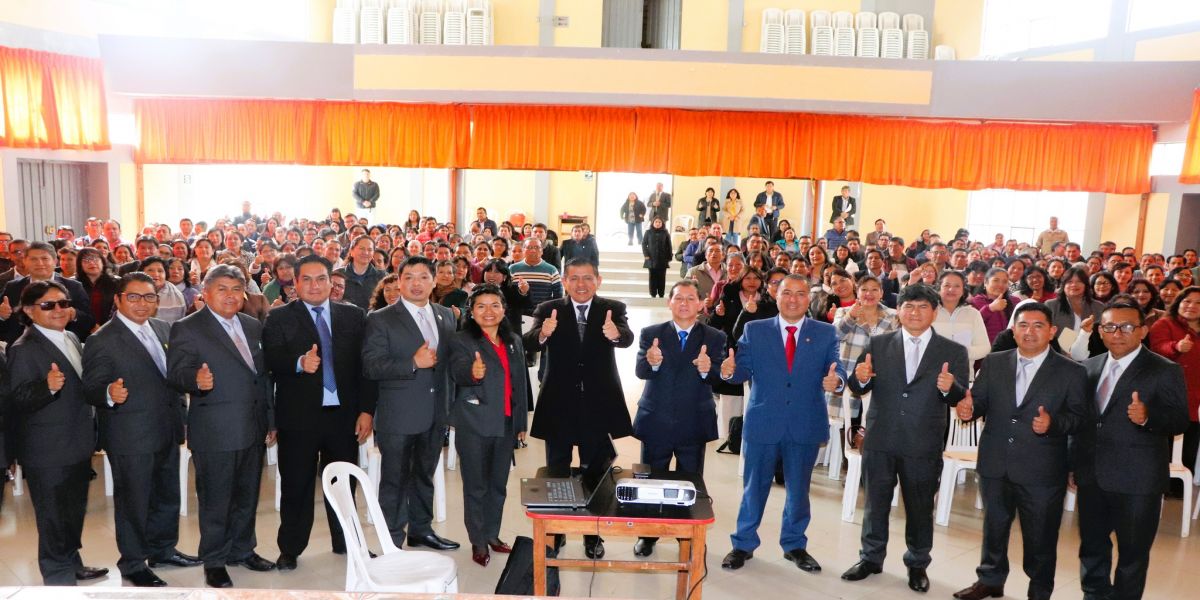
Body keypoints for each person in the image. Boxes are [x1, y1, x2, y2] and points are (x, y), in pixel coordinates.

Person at [951, 302, 1089, 600]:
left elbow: (1080, 418)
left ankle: (1039, 590)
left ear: (1052, 331)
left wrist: (1053, 423)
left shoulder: (1072, 371)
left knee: (1040, 536)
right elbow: (980, 401)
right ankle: (990, 579)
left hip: (1042, 468)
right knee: (994, 527)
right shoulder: (995, 362)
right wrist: (969, 409)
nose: (1029, 332)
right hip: (995, 461)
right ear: (1013, 330)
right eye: (1023, 325)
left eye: (1038, 326)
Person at [841, 284, 969, 593]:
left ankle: (917, 563)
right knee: (875, 504)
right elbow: (857, 384)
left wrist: (949, 388)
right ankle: (870, 558)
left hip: (923, 442)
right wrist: (860, 379)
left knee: (920, 507)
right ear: (899, 311)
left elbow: (960, 398)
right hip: (881, 438)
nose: (915, 313)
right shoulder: (878, 343)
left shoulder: (953, 351)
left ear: (934, 313)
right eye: (909, 306)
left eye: (923, 307)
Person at [719, 275, 844, 572]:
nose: (793, 299)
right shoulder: (755, 329)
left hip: (804, 421)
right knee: (754, 488)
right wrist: (729, 371)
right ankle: (743, 544)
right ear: (776, 295)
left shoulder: (825, 332)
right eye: (787, 293)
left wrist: (837, 381)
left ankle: (794, 544)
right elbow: (742, 370)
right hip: (764, 420)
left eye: (800, 294)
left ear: (808, 298)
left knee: (798, 490)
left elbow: (836, 368)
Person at [82, 273, 198, 587]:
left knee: (167, 495)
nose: (142, 304)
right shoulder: (102, 339)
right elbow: (90, 387)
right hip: (130, 434)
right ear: (118, 300)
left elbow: (171, 378)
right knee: (134, 502)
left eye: (149, 297)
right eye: (133, 297)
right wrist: (108, 393)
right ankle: (133, 563)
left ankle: (163, 550)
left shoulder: (162, 328)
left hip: (167, 427)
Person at [166, 264, 276, 588]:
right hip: (215, 429)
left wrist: (270, 420)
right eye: (222, 289)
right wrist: (195, 380)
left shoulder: (251, 325)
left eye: (236, 290)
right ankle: (214, 560)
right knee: (216, 499)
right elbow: (176, 374)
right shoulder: (188, 327)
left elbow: (262, 377)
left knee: (247, 495)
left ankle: (242, 550)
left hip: (253, 425)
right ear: (206, 292)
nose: (230, 296)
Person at [263, 255, 375, 571]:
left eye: (321, 278)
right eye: (307, 279)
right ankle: (290, 548)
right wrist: (298, 363)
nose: (315, 285)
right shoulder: (279, 317)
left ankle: (347, 542)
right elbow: (270, 360)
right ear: (296, 283)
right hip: (298, 418)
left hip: (344, 417)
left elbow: (365, 368)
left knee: (344, 484)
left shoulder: (353, 316)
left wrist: (366, 410)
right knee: (296, 484)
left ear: (331, 282)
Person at [1073, 298, 1189, 600]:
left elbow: (1180, 419)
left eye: (1126, 327)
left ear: (1143, 330)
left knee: (1132, 554)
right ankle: (1094, 595)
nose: (1117, 333)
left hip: (1138, 479)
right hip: (1092, 474)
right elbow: (1081, 421)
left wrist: (1148, 417)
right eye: (1110, 327)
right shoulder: (1088, 367)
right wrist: (1073, 465)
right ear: (1100, 331)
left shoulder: (1164, 369)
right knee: (1092, 547)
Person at [524, 258, 634, 559]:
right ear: (565, 281)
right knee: (556, 469)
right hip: (559, 401)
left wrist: (616, 334)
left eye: (587, 278)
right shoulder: (548, 309)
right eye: (574, 278)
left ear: (598, 280)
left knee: (594, 471)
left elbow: (626, 337)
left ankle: (592, 533)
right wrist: (543, 333)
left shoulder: (612, 308)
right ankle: (556, 531)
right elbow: (530, 342)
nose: (581, 284)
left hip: (598, 403)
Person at [5, 281, 107, 585]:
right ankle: (58, 579)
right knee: (52, 517)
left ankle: (72, 564)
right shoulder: (23, 348)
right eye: (48, 305)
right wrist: (46, 388)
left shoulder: (71, 337)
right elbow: (18, 399)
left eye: (64, 303)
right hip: (47, 449)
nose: (58, 310)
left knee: (73, 511)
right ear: (29, 311)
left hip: (77, 441)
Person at [362, 256, 460, 552]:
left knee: (425, 475)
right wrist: (412, 363)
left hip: (435, 412)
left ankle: (421, 530)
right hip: (399, 415)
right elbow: (371, 366)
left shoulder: (446, 315)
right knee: (394, 480)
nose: (416, 283)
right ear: (399, 281)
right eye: (409, 277)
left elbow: (450, 363)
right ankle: (390, 541)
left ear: (434, 281)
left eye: (423, 277)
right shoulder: (380, 318)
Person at [632, 280, 725, 557]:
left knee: (690, 484)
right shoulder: (652, 333)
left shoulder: (714, 336)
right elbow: (640, 370)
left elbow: (721, 376)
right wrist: (652, 362)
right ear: (669, 302)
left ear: (701, 304)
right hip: (656, 420)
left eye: (690, 298)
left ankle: (688, 536)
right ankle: (648, 535)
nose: (684, 303)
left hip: (693, 421)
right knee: (651, 481)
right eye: (678, 298)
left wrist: (708, 370)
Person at [447, 284, 528, 567]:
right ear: (471, 311)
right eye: (481, 306)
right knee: (476, 486)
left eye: (495, 305)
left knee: (498, 485)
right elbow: (456, 370)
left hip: (505, 423)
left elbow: (520, 383)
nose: (489, 311)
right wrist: (472, 372)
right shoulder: (461, 339)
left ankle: (493, 534)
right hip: (474, 422)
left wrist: (520, 422)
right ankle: (478, 541)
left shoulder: (513, 340)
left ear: (504, 309)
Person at [1148, 285, 1200, 480]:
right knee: (1169, 446)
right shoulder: (1164, 324)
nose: (1192, 306)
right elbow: (1158, 348)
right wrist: (1176, 346)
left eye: (1198, 303)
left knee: (1191, 446)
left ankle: (1185, 486)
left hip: (1197, 397)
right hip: (1172, 394)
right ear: (1178, 302)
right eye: (1187, 301)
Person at [0, 242, 95, 345]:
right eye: (34, 259)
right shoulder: (12, 287)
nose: (40, 263)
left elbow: (89, 321)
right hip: (19, 347)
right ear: (25, 261)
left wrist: (74, 314)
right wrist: (1, 316)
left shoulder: (73, 287)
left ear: (55, 261)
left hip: (62, 346)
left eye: (44, 258)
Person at [933, 270, 991, 364]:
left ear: (963, 290)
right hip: (932, 369)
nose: (951, 289)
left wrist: (959, 352)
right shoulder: (929, 312)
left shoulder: (973, 314)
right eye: (947, 285)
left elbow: (985, 348)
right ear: (939, 288)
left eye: (957, 286)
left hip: (963, 370)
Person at [334, 235, 385, 311]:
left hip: (372, 317)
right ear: (351, 251)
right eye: (362, 248)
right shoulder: (338, 274)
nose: (366, 252)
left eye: (370, 250)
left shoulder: (382, 277)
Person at [970, 268, 1020, 343]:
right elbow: (970, 325)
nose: (1000, 285)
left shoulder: (1015, 301)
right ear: (985, 282)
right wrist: (990, 308)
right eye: (996, 280)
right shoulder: (976, 302)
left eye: (1005, 282)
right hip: (985, 347)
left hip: (1010, 347)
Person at [642, 217, 672, 298]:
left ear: (662, 223)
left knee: (662, 277)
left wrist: (669, 257)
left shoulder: (665, 232)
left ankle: (661, 294)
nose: (658, 223)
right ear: (653, 223)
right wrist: (646, 255)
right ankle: (653, 294)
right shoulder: (648, 232)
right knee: (652, 277)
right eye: (656, 222)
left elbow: (669, 245)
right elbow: (644, 244)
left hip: (663, 259)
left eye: (659, 222)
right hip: (651, 258)